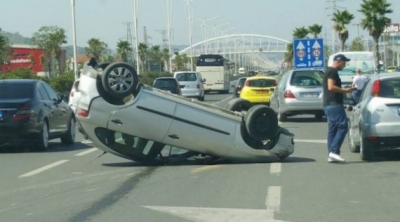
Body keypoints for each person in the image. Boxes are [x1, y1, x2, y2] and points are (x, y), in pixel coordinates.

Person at [323, 54, 355, 163]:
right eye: (344, 62)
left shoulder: (329, 71)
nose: (344, 65)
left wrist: (344, 89)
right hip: (334, 103)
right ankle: (334, 152)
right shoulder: (332, 71)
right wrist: (345, 91)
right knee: (343, 126)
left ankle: (331, 154)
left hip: (328, 104)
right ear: (338, 61)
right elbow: (331, 87)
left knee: (333, 129)